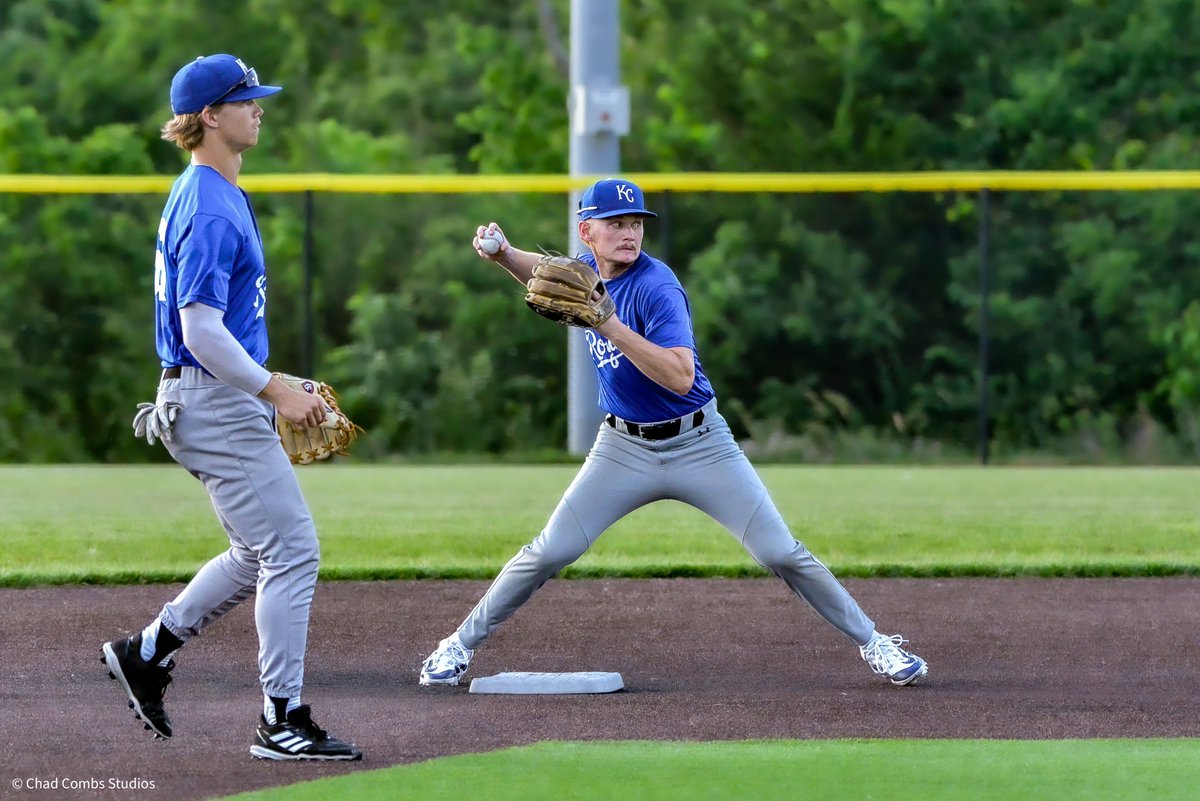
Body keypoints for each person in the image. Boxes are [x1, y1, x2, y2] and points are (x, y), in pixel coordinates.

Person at [419, 178, 928, 689]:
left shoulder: (657, 285)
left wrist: (609, 325)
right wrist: (505, 255)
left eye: (636, 222)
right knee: (550, 550)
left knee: (780, 552)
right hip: (621, 449)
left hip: (700, 444)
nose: (629, 233)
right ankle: (457, 646)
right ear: (586, 231)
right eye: (616, 223)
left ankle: (876, 642)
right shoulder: (589, 269)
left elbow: (680, 376)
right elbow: (549, 274)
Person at [100, 53, 361, 761]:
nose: (259, 107)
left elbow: (219, 332)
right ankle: (281, 719)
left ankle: (146, 651)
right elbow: (199, 328)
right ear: (208, 116)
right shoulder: (211, 203)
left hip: (208, 393)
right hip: (212, 399)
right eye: (244, 99)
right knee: (293, 550)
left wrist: (271, 376)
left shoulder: (212, 189)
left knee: (257, 550)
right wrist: (275, 389)